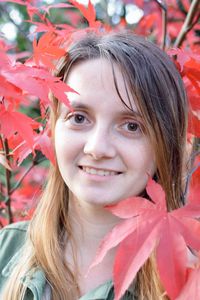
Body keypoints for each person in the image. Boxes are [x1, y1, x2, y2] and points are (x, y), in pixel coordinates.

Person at [0, 30, 189, 300]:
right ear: (53, 128)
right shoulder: (5, 249)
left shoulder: (187, 279)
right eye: (79, 118)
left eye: (131, 126)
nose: (97, 148)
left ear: (165, 144)